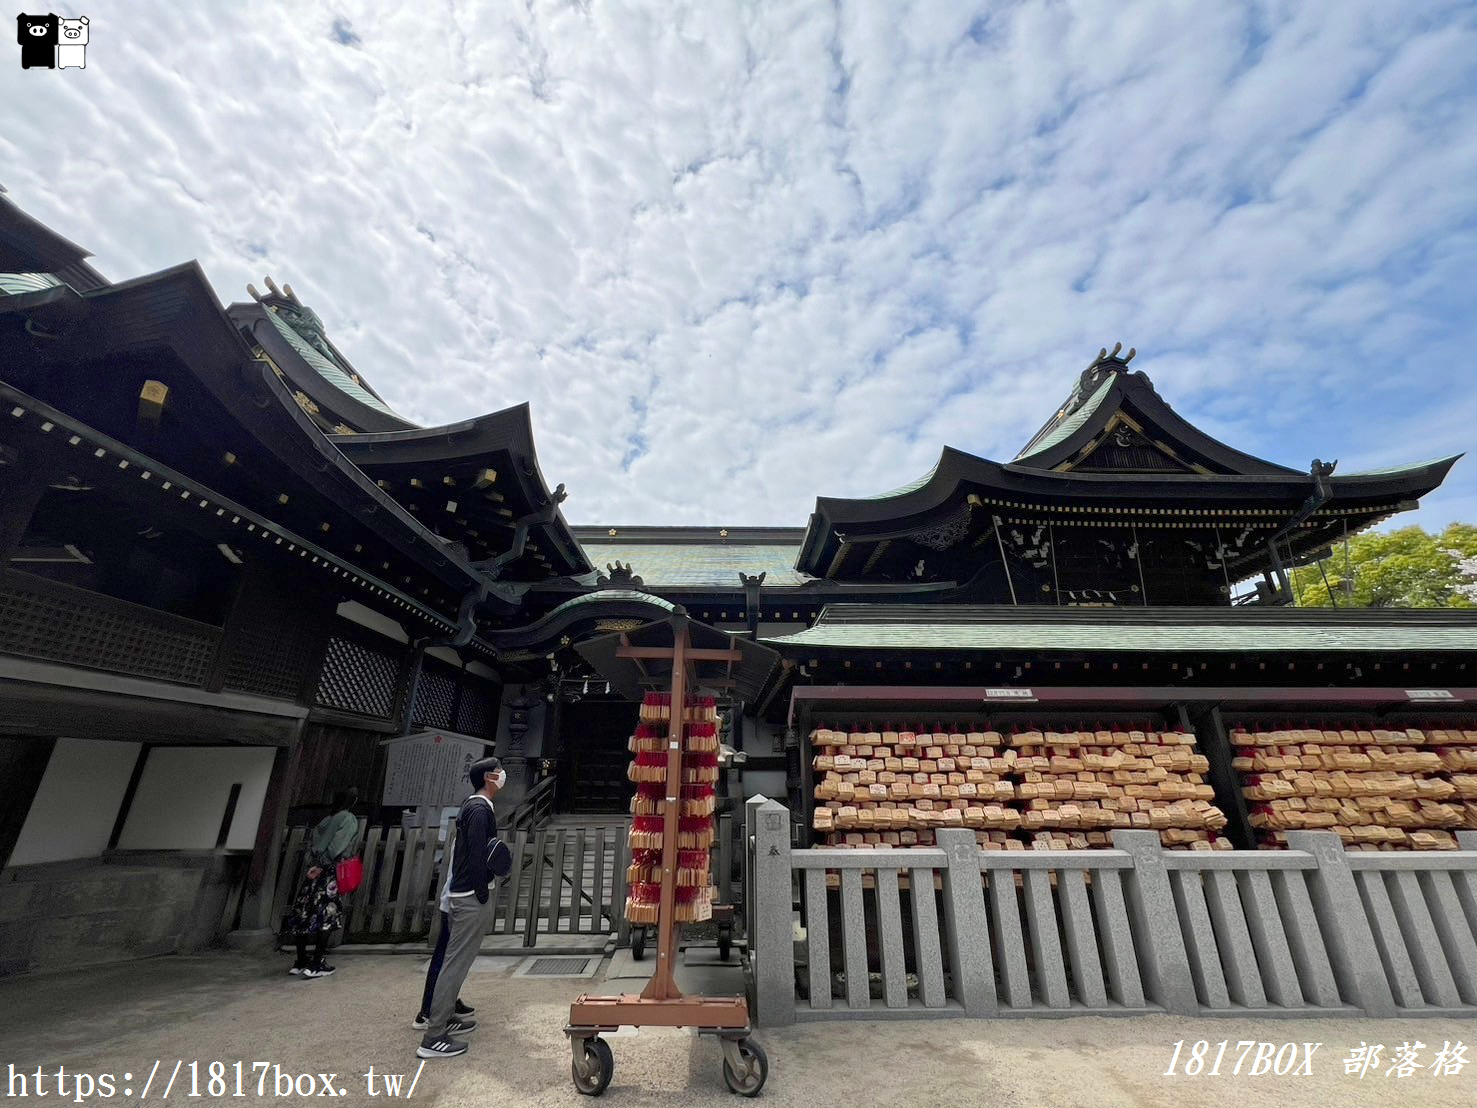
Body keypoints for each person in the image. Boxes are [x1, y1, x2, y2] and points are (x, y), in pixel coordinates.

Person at [417, 757, 504, 1059]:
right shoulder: (480, 810)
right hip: (469, 895)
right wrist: (482, 891)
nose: (502, 774)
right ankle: (434, 1035)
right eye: (499, 770)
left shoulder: (472, 806)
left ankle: (445, 1016)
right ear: (490, 777)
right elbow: (478, 854)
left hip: (460, 893)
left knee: (457, 961)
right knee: (455, 964)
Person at [286, 787, 360, 979]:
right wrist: (324, 864)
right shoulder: (348, 818)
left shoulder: (325, 820)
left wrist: (314, 864)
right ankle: (317, 962)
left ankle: (301, 960)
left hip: (312, 872)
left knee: (305, 912)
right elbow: (338, 845)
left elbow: (313, 845)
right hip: (329, 873)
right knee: (326, 916)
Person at [410, 868, 476, 1029]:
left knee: (454, 959)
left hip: (457, 899)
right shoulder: (466, 841)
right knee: (445, 959)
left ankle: (447, 1002)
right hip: (457, 902)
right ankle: (429, 1012)